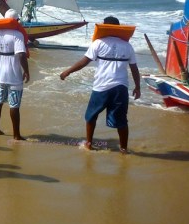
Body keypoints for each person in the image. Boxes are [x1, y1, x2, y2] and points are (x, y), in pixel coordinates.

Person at [60, 16, 141, 153]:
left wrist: (67, 72)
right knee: (121, 120)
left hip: (101, 87)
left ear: (105, 27)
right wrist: (137, 87)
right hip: (121, 88)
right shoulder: (127, 46)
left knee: (91, 116)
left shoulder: (98, 43)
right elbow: (134, 68)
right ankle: (124, 149)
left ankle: (89, 144)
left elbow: (84, 62)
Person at [0, 9, 30, 140]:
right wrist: (26, 71)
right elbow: (21, 55)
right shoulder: (17, 34)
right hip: (14, 75)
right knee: (14, 105)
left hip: (0, 74)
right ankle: (16, 135)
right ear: (16, 21)